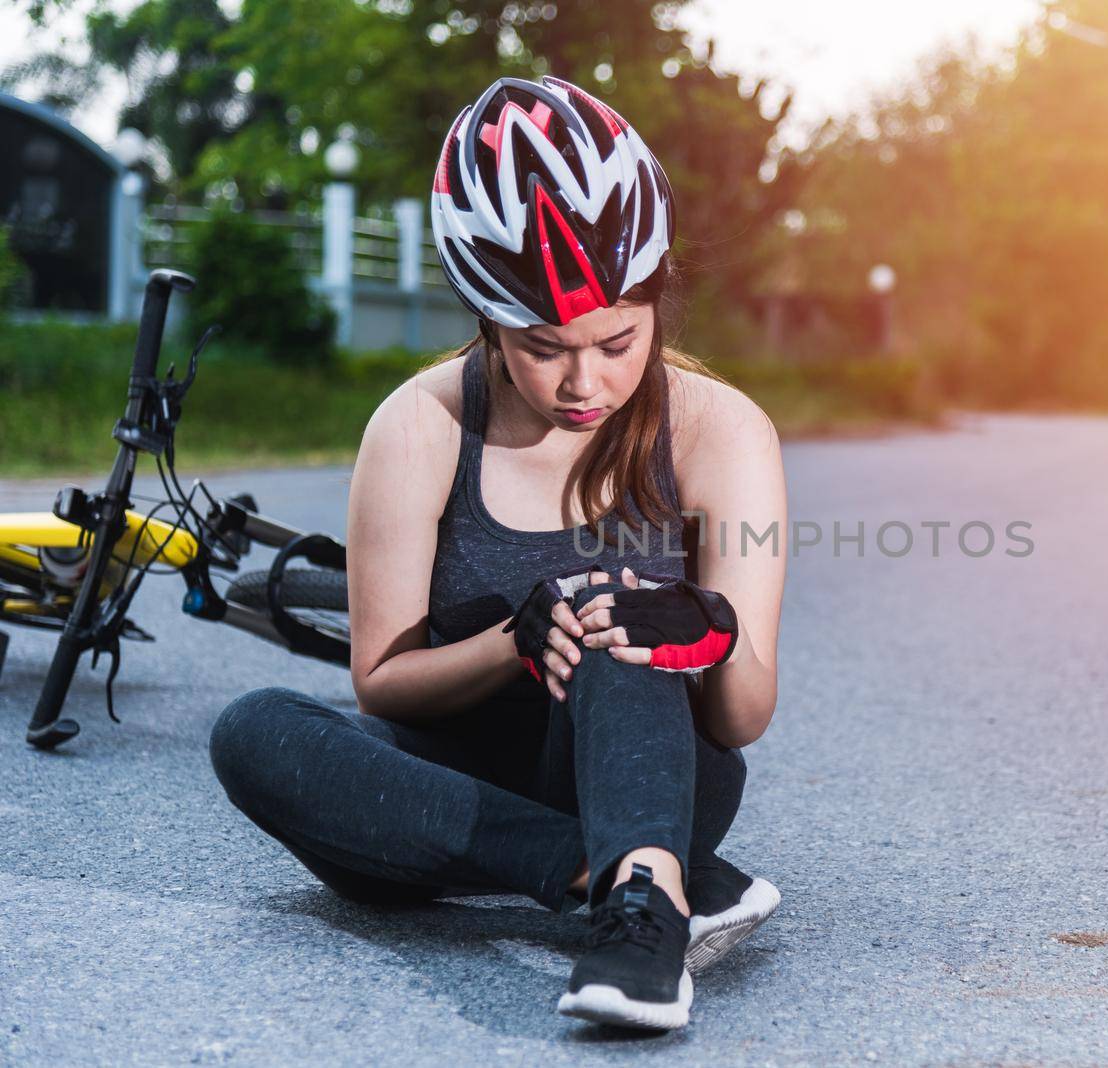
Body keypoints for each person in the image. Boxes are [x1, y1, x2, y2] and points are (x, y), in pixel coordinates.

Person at [208, 75, 787, 1033]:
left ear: (656, 301)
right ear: (485, 318)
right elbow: (381, 684)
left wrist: (708, 630)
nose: (583, 380)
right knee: (252, 731)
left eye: (617, 341)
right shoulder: (420, 424)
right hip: (437, 796)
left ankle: (640, 929)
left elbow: (746, 715)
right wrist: (516, 641)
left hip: (648, 774)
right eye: (542, 347)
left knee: (617, 611)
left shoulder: (723, 432)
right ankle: (634, 881)